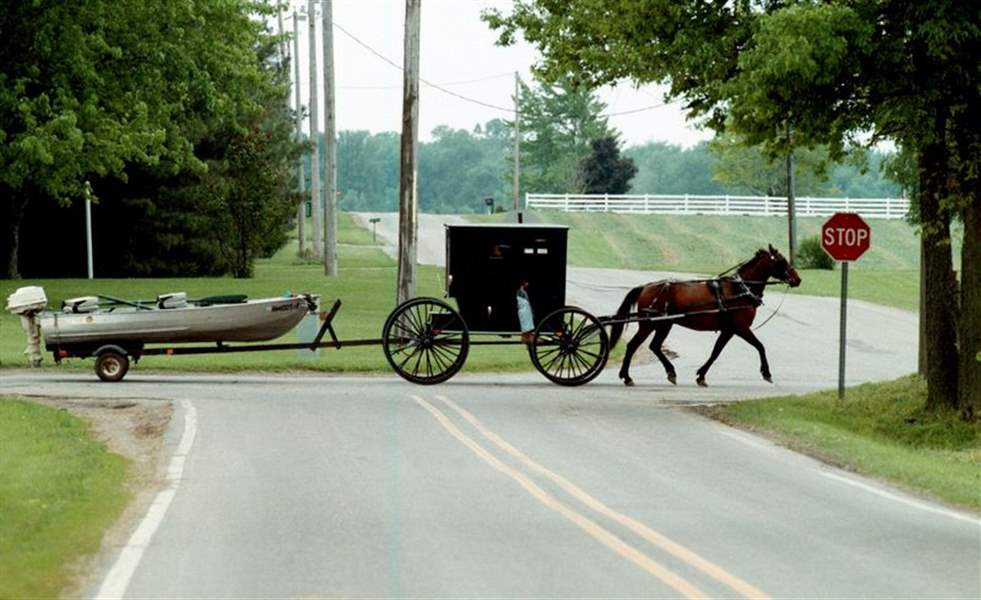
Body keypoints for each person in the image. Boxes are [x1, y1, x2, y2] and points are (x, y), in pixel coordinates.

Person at [516, 279, 535, 344]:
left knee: (527, 321)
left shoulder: (523, 292)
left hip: (525, 308)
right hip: (524, 308)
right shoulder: (520, 292)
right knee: (525, 321)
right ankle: (526, 336)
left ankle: (527, 336)